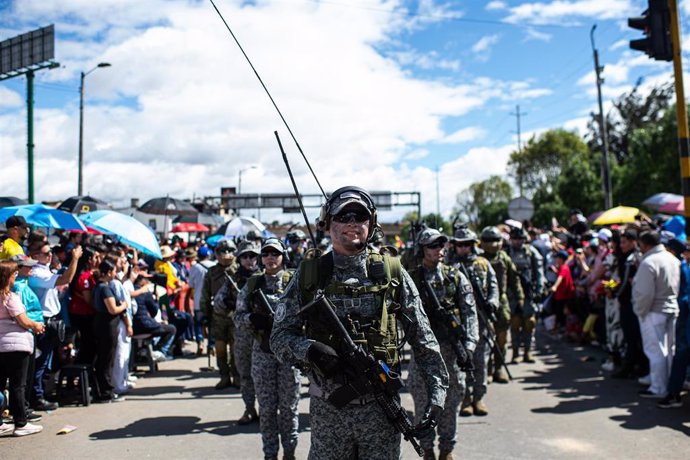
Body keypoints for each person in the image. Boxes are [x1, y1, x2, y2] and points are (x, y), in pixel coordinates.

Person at [271, 186, 448, 460]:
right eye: (343, 216)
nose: (352, 223)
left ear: (372, 224)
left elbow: (424, 342)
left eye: (360, 216)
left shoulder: (392, 273)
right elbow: (279, 338)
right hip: (329, 413)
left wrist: (436, 398)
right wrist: (308, 349)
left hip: (381, 411)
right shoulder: (310, 275)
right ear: (327, 223)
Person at [408, 228, 478, 460]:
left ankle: (447, 449)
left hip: (450, 349)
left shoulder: (455, 276)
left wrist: (469, 346)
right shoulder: (411, 279)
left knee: (451, 401)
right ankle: (427, 448)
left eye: (441, 245)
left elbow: (469, 313)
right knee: (423, 401)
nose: (439, 250)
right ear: (422, 250)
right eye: (432, 246)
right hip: (423, 352)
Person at [236, 238, 300, 460]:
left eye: (275, 253)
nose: (270, 258)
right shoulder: (253, 284)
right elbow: (238, 316)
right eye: (266, 254)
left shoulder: (295, 281)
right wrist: (253, 319)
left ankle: (290, 452)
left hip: (289, 354)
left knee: (289, 408)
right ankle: (270, 454)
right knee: (267, 410)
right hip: (263, 353)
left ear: (283, 256)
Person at [27, 242, 82, 411]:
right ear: (35, 256)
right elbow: (66, 278)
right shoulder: (36, 273)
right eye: (46, 253)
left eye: (50, 252)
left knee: (47, 362)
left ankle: (41, 393)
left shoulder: (45, 270)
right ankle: (36, 397)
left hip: (51, 320)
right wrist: (75, 258)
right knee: (40, 362)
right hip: (42, 321)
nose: (50, 255)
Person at [451, 226, 499, 417]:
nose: (463, 248)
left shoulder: (484, 264)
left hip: (482, 321)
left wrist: (492, 303)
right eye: (460, 245)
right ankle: (466, 399)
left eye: (467, 245)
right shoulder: (450, 267)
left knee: (481, 362)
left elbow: (494, 287)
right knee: (462, 362)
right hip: (459, 323)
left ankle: (479, 397)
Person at [0, 260, 46, 437]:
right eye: (14, 274)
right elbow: (23, 320)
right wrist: (36, 325)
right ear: (7, 277)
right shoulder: (10, 297)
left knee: (1, 384)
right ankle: (20, 423)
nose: (16, 277)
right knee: (18, 386)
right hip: (16, 346)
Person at [633, 230, 680, 398]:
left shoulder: (649, 262)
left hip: (653, 311)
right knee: (669, 350)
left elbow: (645, 293)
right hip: (671, 309)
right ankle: (668, 385)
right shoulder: (673, 259)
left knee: (656, 351)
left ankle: (658, 387)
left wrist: (640, 311)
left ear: (645, 245)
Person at [479, 226, 523, 383]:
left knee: (502, 336)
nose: (492, 244)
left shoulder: (504, 258)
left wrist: (520, 298)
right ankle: (488, 369)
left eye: (495, 240)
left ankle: (498, 368)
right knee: (486, 337)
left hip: (502, 301)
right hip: (483, 303)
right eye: (488, 240)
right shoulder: (478, 259)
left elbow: (514, 279)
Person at [200, 239, 240, 389]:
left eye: (229, 251)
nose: (225, 255)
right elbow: (205, 294)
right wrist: (204, 315)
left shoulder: (238, 270)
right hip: (218, 317)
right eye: (221, 251)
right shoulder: (212, 272)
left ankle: (237, 376)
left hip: (236, 316)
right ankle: (224, 376)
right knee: (220, 349)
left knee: (236, 349)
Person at [232, 239, 262, 425]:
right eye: (245, 256)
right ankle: (249, 408)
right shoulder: (233, 279)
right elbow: (218, 304)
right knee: (245, 374)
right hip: (243, 335)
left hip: (264, 335)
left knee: (265, 376)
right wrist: (227, 301)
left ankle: (266, 410)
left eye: (253, 256)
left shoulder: (266, 278)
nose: (249, 260)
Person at [658, 239, 690, 408]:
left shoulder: (683, 267)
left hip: (685, 318)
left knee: (681, 355)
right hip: (685, 319)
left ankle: (674, 393)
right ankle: (674, 393)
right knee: (681, 356)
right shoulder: (683, 267)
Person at [506, 227, 545, 363]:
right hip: (511, 293)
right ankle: (516, 353)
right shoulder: (506, 252)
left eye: (520, 239)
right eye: (515, 239)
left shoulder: (531, 252)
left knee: (529, 323)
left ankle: (528, 352)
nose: (518, 241)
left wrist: (539, 290)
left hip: (528, 292)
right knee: (515, 323)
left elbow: (539, 272)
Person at [92, 259, 128, 402]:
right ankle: (106, 392)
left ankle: (103, 390)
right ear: (107, 273)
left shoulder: (98, 287)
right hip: (106, 325)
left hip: (101, 324)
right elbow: (112, 309)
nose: (115, 274)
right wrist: (124, 305)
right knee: (107, 359)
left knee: (104, 358)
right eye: (113, 271)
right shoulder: (104, 288)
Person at [67, 247, 100, 365]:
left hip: (86, 314)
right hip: (82, 314)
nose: (98, 260)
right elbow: (88, 299)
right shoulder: (84, 277)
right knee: (88, 345)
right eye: (96, 257)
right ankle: (79, 371)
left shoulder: (90, 274)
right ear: (89, 259)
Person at [188, 245, 214, 356]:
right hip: (212, 300)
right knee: (212, 324)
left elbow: (191, 285)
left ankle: (200, 343)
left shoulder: (195, 267)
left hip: (199, 300)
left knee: (198, 324)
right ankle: (211, 345)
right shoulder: (215, 266)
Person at [550, 250, 575, 332]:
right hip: (561, 295)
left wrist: (555, 286)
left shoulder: (564, 268)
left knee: (562, 313)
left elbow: (560, 278)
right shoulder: (562, 267)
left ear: (561, 259)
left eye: (557, 258)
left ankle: (563, 329)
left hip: (564, 296)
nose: (556, 260)